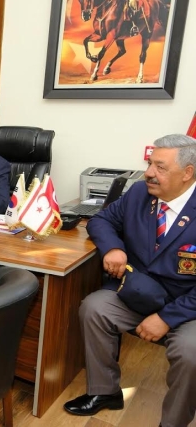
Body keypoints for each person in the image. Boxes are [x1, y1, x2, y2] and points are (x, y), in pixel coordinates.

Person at [64, 134, 196, 427]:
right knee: (94, 308)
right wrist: (114, 247)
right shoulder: (139, 193)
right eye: (150, 164)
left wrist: (166, 318)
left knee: (191, 352)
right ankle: (105, 392)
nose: (149, 172)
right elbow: (101, 220)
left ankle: (173, 423)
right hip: (138, 293)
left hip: (187, 308)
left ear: (187, 173)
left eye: (160, 167)